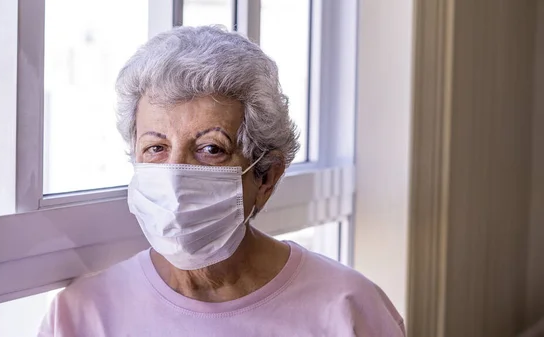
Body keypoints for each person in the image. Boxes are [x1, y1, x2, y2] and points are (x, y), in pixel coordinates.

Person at [38, 26, 405, 337]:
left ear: (267, 176)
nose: (175, 174)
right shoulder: (82, 317)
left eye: (211, 148)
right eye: (156, 147)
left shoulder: (349, 310)